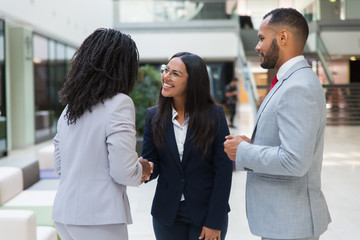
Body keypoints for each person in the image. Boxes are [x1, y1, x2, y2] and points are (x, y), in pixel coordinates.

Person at [224, 8, 331, 240]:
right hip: (285, 223)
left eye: (262, 38)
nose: (257, 46)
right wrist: (254, 143)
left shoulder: (297, 86)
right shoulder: (292, 80)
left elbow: (295, 161)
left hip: (290, 225)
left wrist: (243, 151)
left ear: (283, 37)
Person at [52, 28, 152, 240]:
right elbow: (123, 171)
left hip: (64, 214)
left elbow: (60, 166)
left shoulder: (70, 108)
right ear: (123, 68)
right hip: (99, 217)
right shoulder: (120, 103)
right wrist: (142, 168)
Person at [142, 52, 233, 240]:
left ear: (193, 81)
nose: (166, 77)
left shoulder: (214, 115)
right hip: (167, 215)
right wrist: (145, 168)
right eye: (165, 70)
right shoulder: (154, 116)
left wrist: (214, 222)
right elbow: (153, 163)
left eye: (175, 73)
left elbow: (223, 171)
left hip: (207, 213)